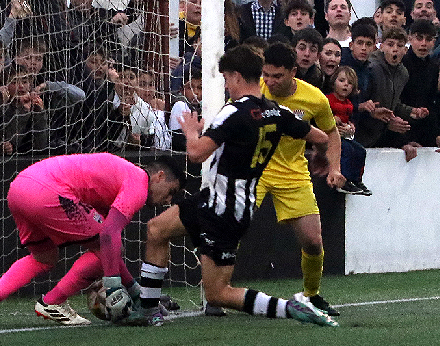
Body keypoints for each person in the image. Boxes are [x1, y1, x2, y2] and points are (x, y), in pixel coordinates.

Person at [129, 45, 337, 327]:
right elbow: (320, 135)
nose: (226, 85)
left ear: (237, 77)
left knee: (217, 293)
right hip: (218, 201)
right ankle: (148, 308)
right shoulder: (279, 113)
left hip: (224, 212)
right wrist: (322, 156)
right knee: (156, 230)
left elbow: (196, 154)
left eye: (226, 78)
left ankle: (290, 308)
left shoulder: (234, 111)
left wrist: (191, 132)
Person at [0, 154, 183, 326]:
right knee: (107, 248)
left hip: (19, 188)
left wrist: (135, 292)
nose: (168, 200)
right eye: (171, 192)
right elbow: (108, 236)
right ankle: (52, 302)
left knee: (43, 257)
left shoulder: (119, 175)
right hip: (49, 191)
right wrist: (115, 289)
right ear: (159, 176)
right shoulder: (139, 182)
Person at [257, 42, 346, 316]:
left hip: (293, 172)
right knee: (230, 230)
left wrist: (334, 168)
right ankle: (214, 293)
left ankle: (311, 294)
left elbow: (331, 134)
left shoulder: (315, 98)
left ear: (293, 72)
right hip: (253, 169)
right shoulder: (254, 89)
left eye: (277, 76)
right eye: (266, 75)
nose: (270, 82)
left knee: (313, 241)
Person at [326, 66, 370, 195]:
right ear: (334, 81)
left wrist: (350, 127)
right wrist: (333, 120)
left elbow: (350, 120)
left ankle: (356, 179)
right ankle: (343, 179)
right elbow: (320, 117)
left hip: (344, 136)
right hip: (330, 136)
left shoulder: (349, 105)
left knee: (360, 151)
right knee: (346, 150)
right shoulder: (327, 100)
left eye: (350, 83)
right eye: (341, 81)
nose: (345, 85)